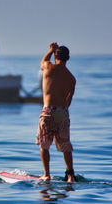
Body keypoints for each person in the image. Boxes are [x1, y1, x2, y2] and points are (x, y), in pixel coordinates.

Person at [36, 42, 76, 182]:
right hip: (63, 112)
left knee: (44, 145)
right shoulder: (72, 79)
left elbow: (42, 62)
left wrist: (50, 50)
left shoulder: (48, 67)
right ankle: (70, 175)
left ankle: (46, 175)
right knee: (65, 145)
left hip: (48, 111)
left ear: (56, 56)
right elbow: (68, 101)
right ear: (68, 58)